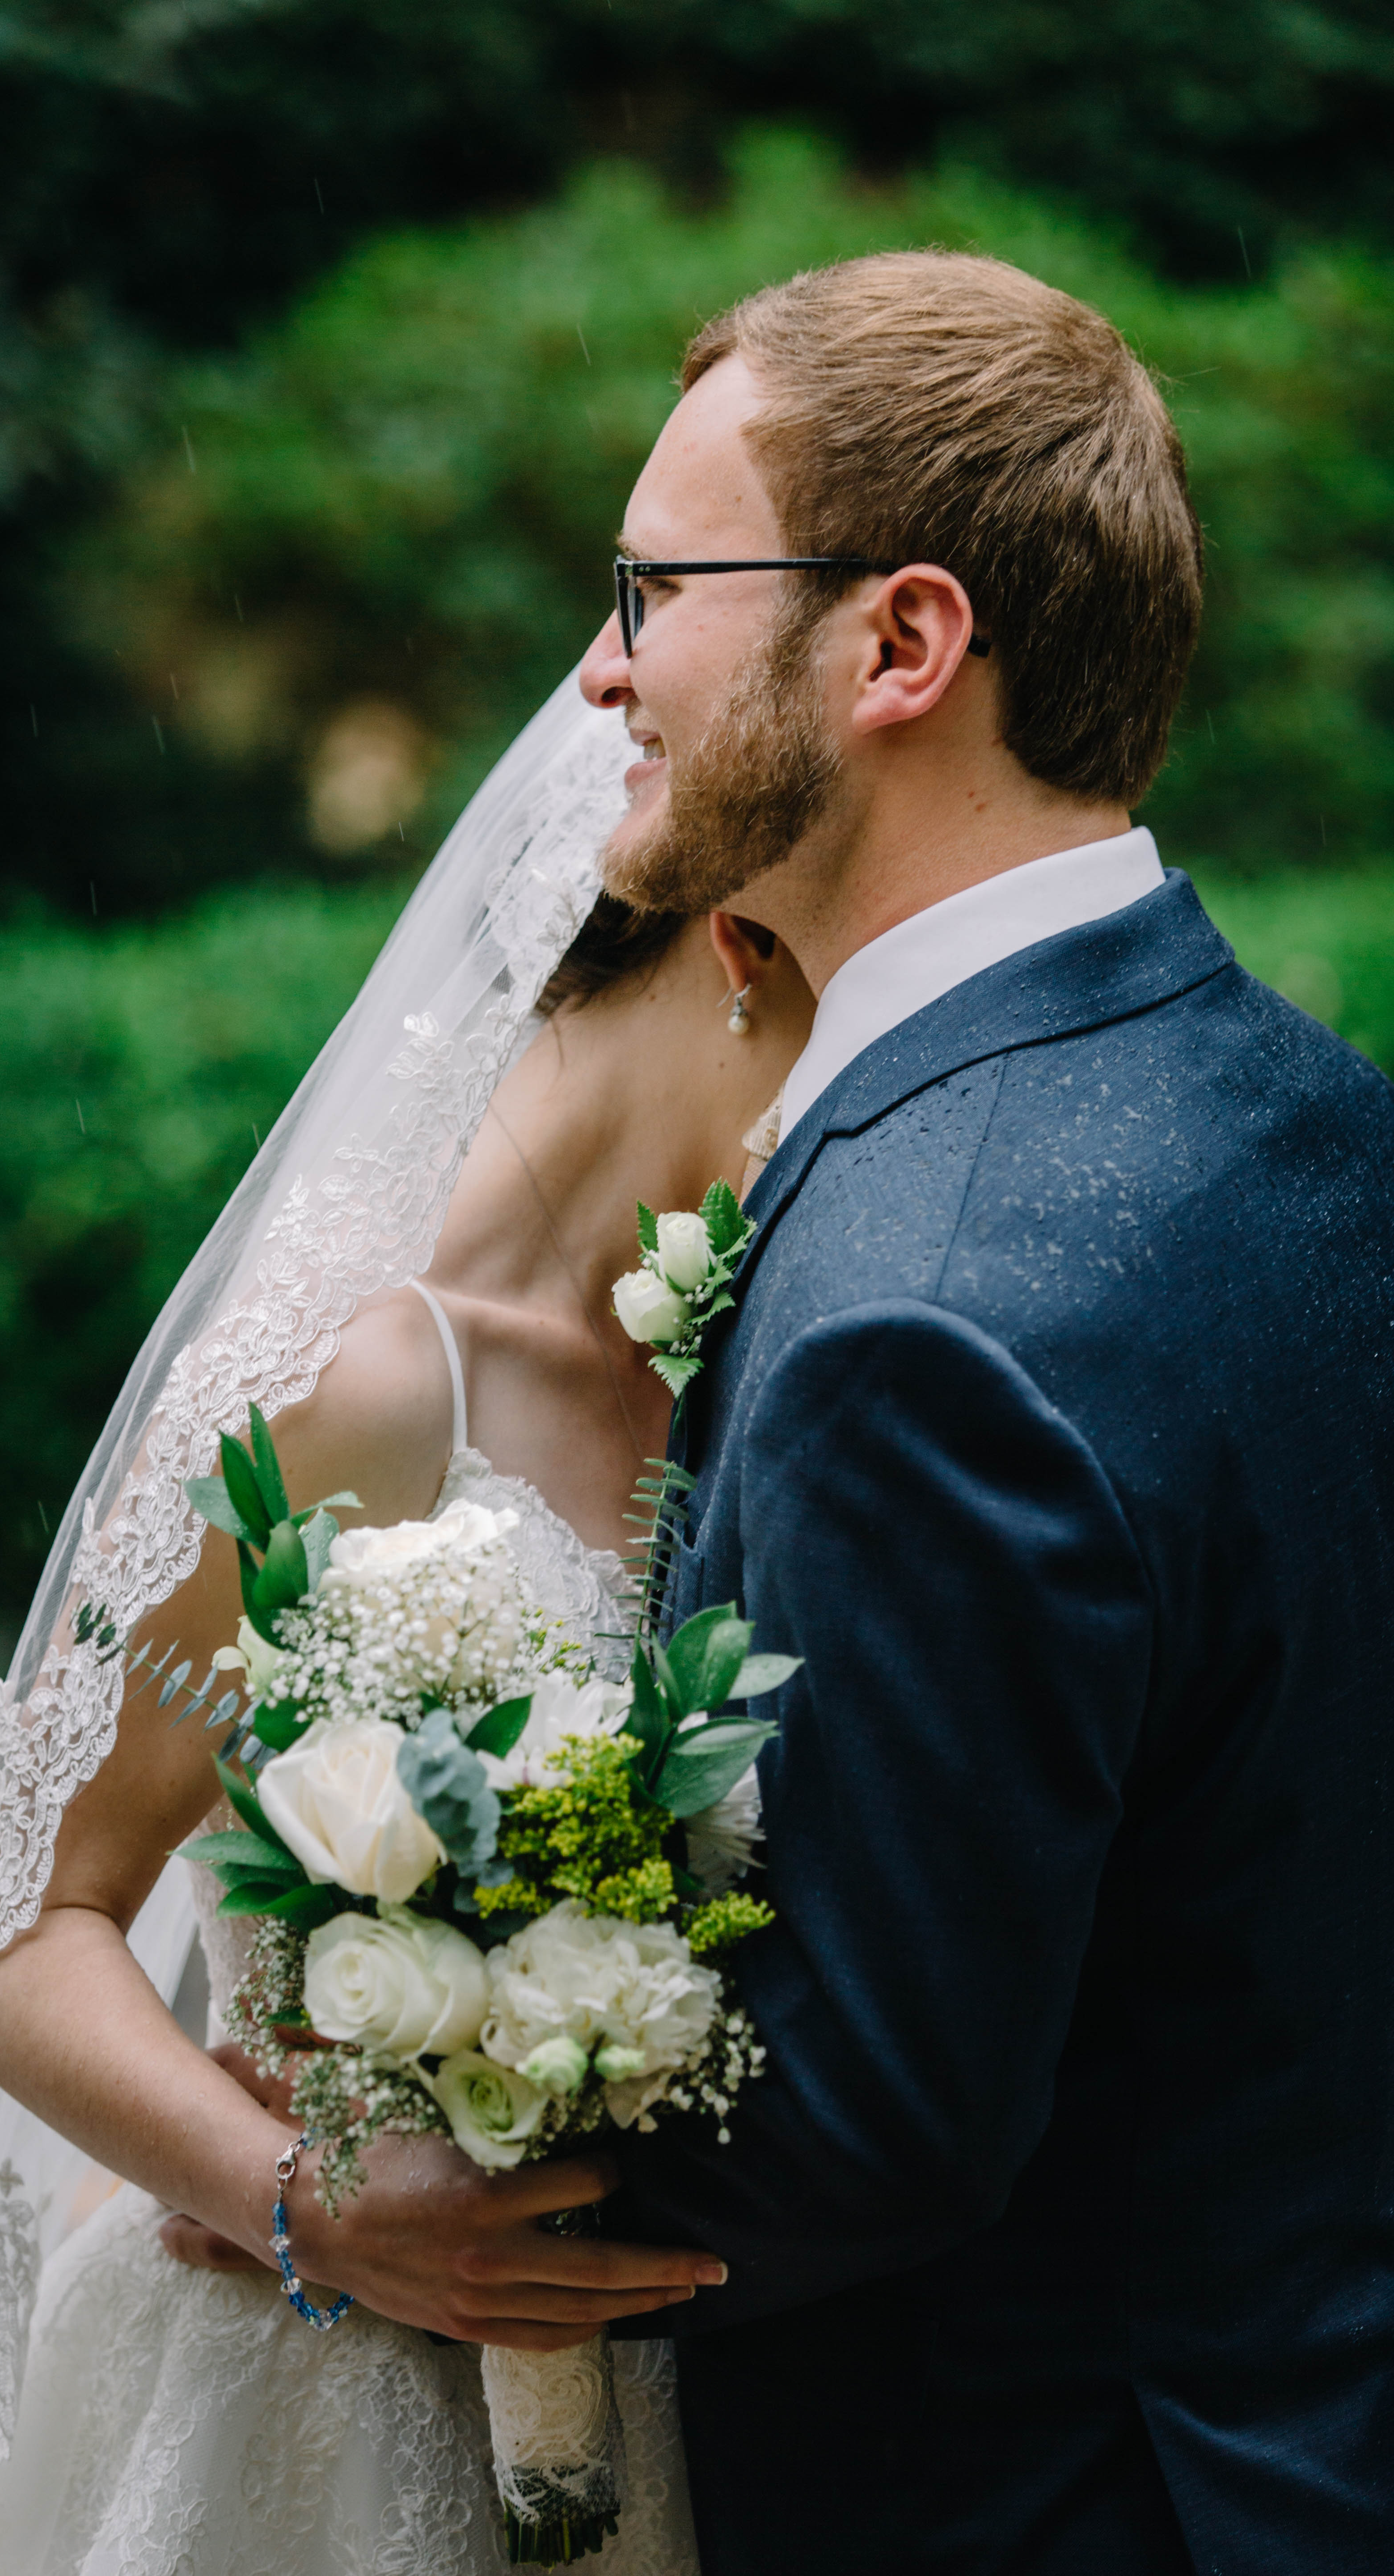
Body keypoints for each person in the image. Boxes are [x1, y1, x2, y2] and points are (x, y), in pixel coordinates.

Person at [0, 656, 813, 2572]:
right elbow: (25, 1926)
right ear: (741, 949)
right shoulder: (361, 1384)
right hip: (296, 2405)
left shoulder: (727, 1365)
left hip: (646, 2413)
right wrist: (306, 2195)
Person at [571, 252, 1394, 2572]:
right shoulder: (1305, 1108)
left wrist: (365, 2170)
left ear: (903, 646)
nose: (606, 666)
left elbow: (863, 2124)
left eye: (657, 586)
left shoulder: (918, 1313)